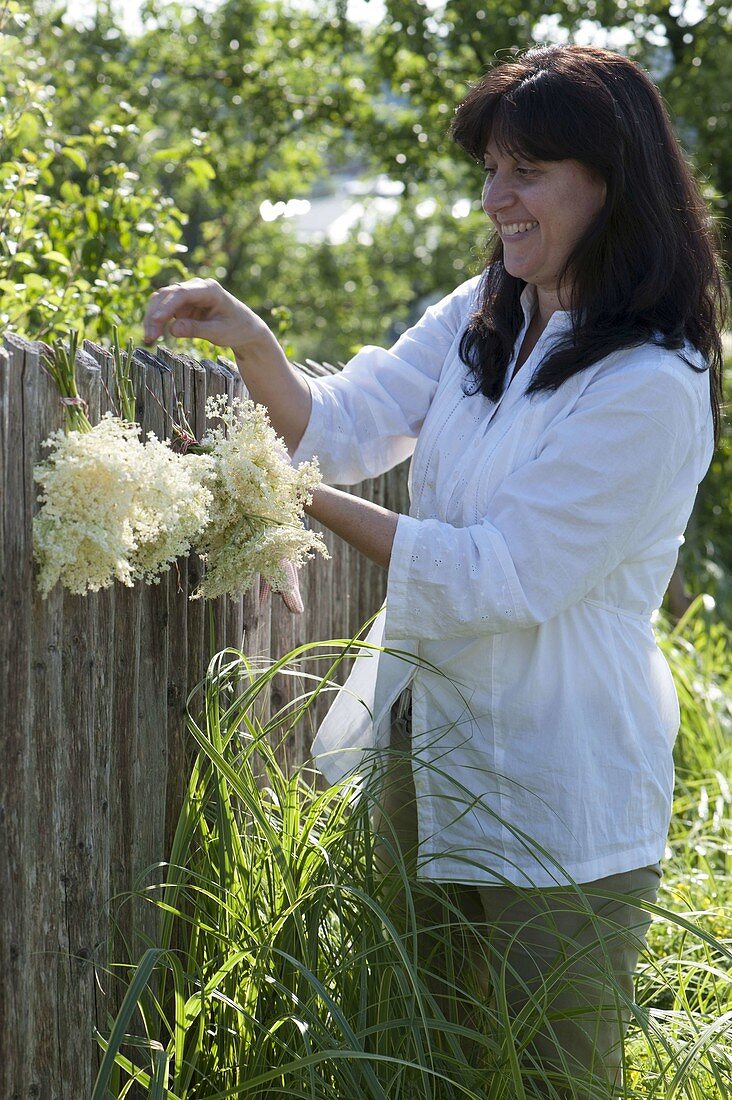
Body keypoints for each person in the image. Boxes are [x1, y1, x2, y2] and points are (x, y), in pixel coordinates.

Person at [143, 45, 726, 1097]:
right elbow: (345, 422)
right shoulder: (488, 305)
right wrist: (253, 341)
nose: (497, 198)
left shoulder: (652, 381)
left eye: (528, 172)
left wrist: (285, 494)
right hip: (429, 752)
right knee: (429, 1065)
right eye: (491, 169)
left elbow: (504, 577)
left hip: (560, 792)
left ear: (614, 184)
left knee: (550, 1077)